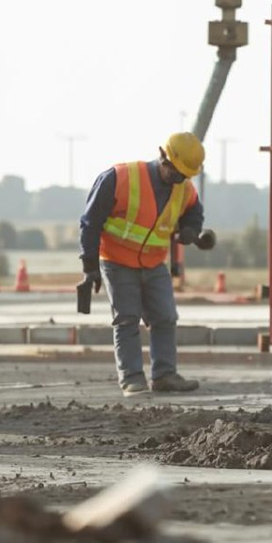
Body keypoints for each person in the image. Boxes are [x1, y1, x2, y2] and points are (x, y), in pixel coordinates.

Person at [78, 132, 207, 396]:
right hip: (116, 260)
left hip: (154, 261)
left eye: (185, 175)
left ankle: (164, 375)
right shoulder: (119, 178)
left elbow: (194, 211)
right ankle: (132, 379)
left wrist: (192, 229)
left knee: (165, 317)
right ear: (162, 156)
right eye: (176, 173)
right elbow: (90, 222)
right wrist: (90, 266)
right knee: (127, 319)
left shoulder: (183, 188)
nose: (180, 179)